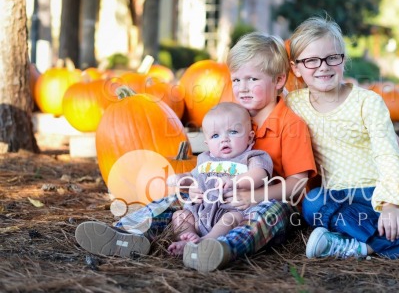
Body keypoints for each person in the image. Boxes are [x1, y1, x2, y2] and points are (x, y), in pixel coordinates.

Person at [75, 32, 317, 272]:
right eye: (236, 80)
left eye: (253, 79)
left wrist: (254, 197)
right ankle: (127, 232)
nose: (242, 88)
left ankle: (220, 247)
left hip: (270, 202)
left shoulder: (291, 125)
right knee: (173, 201)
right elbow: (207, 165)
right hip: (216, 198)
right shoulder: (231, 118)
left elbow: (297, 185)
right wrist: (194, 187)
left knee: (266, 214)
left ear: (278, 80)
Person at [285, 16, 399, 259]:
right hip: (342, 200)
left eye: (332, 57)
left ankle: (360, 245)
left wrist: (390, 204)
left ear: (343, 59)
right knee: (313, 204)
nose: (323, 66)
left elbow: (387, 152)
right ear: (295, 67)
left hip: (380, 192)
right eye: (311, 61)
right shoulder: (294, 104)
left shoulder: (367, 102)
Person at [167, 102, 273, 257]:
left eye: (233, 132)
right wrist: (182, 181)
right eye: (216, 136)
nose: (224, 139)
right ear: (207, 143)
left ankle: (207, 241)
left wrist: (235, 181)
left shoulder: (252, 156)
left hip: (229, 211)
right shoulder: (204, 159)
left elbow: (260, 174)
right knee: (180, 216)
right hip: (200, 214)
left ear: (250, 137)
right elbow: (193, 177)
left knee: (233, 218)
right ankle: (187, 239)